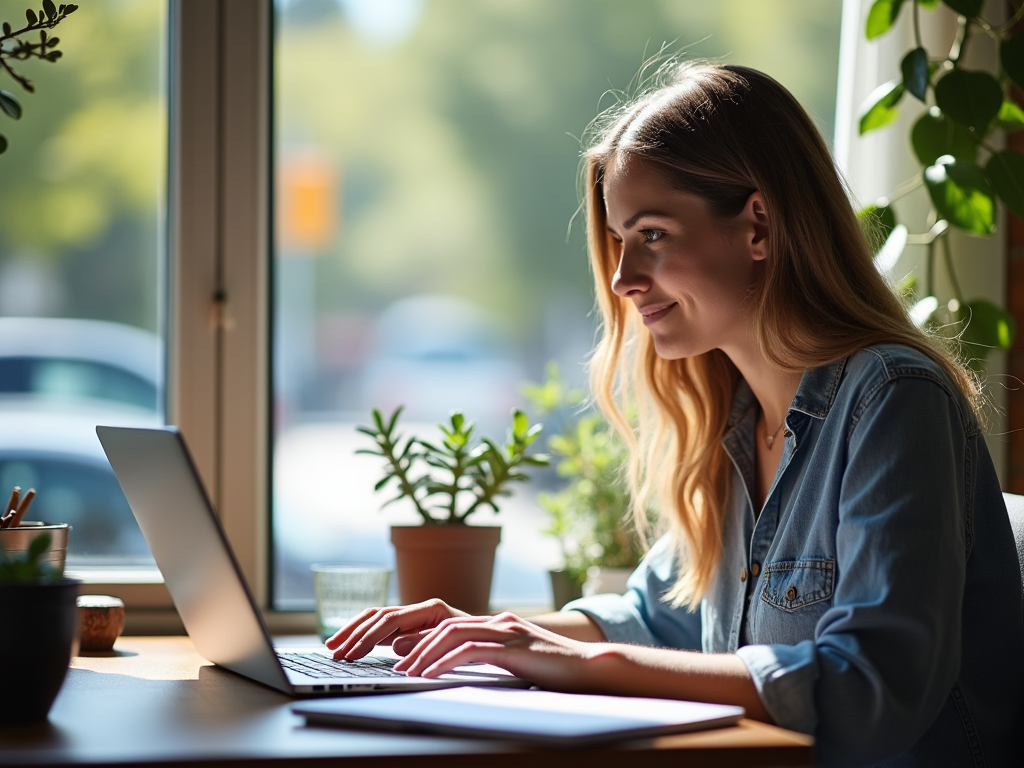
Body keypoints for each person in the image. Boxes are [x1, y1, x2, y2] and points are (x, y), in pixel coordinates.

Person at [326, 63, 1024, 766]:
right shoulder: (734, 421)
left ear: (757, 225)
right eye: (620, 240)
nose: (624, 278)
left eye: (652, 235)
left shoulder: (894, 399)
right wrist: (488, 634)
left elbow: (871, 688)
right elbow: (656, 618)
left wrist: (579, 665)